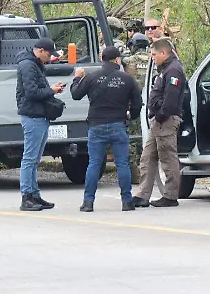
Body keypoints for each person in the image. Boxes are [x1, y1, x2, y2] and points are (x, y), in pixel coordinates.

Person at [70, 46, 143, 212]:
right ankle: (127, 201)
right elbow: (137, 104)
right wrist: (131, 116)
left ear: (102, 59)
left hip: (96, 126)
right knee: (122, 163)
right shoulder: (127, 79)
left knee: (94, 164)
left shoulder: (91, 77)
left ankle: (88, 203)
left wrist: (76, 78)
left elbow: (75, 94)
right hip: (118, 125)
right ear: (117, 60)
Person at [131, 38, 187, 208]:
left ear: (164, 53)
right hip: (158, 121)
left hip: (166, 120)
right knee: (147, 157)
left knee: (168, 158)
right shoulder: (165, 69)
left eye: (154, 54)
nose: (152, 57)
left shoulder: (174, 70)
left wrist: (161, 115)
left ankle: (170, 196)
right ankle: (143, 194)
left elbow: (170, 99)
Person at [15, 38, 66, 212]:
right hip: (33, 115)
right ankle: (26, 196)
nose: (49, 58)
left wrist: (51, 89)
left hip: (39, 115)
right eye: (48, 54)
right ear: (41, 50)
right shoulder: (28, 66)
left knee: (35, 159)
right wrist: (51, 90)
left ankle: (34, 194)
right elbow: (31, 92)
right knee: (29, 158)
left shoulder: (34, 64)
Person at [121, 32, 151, 183]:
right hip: (151, 104)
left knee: (132, 141)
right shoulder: (153, 59)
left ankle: (135, 175)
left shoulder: (128, 60)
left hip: (134, 103)